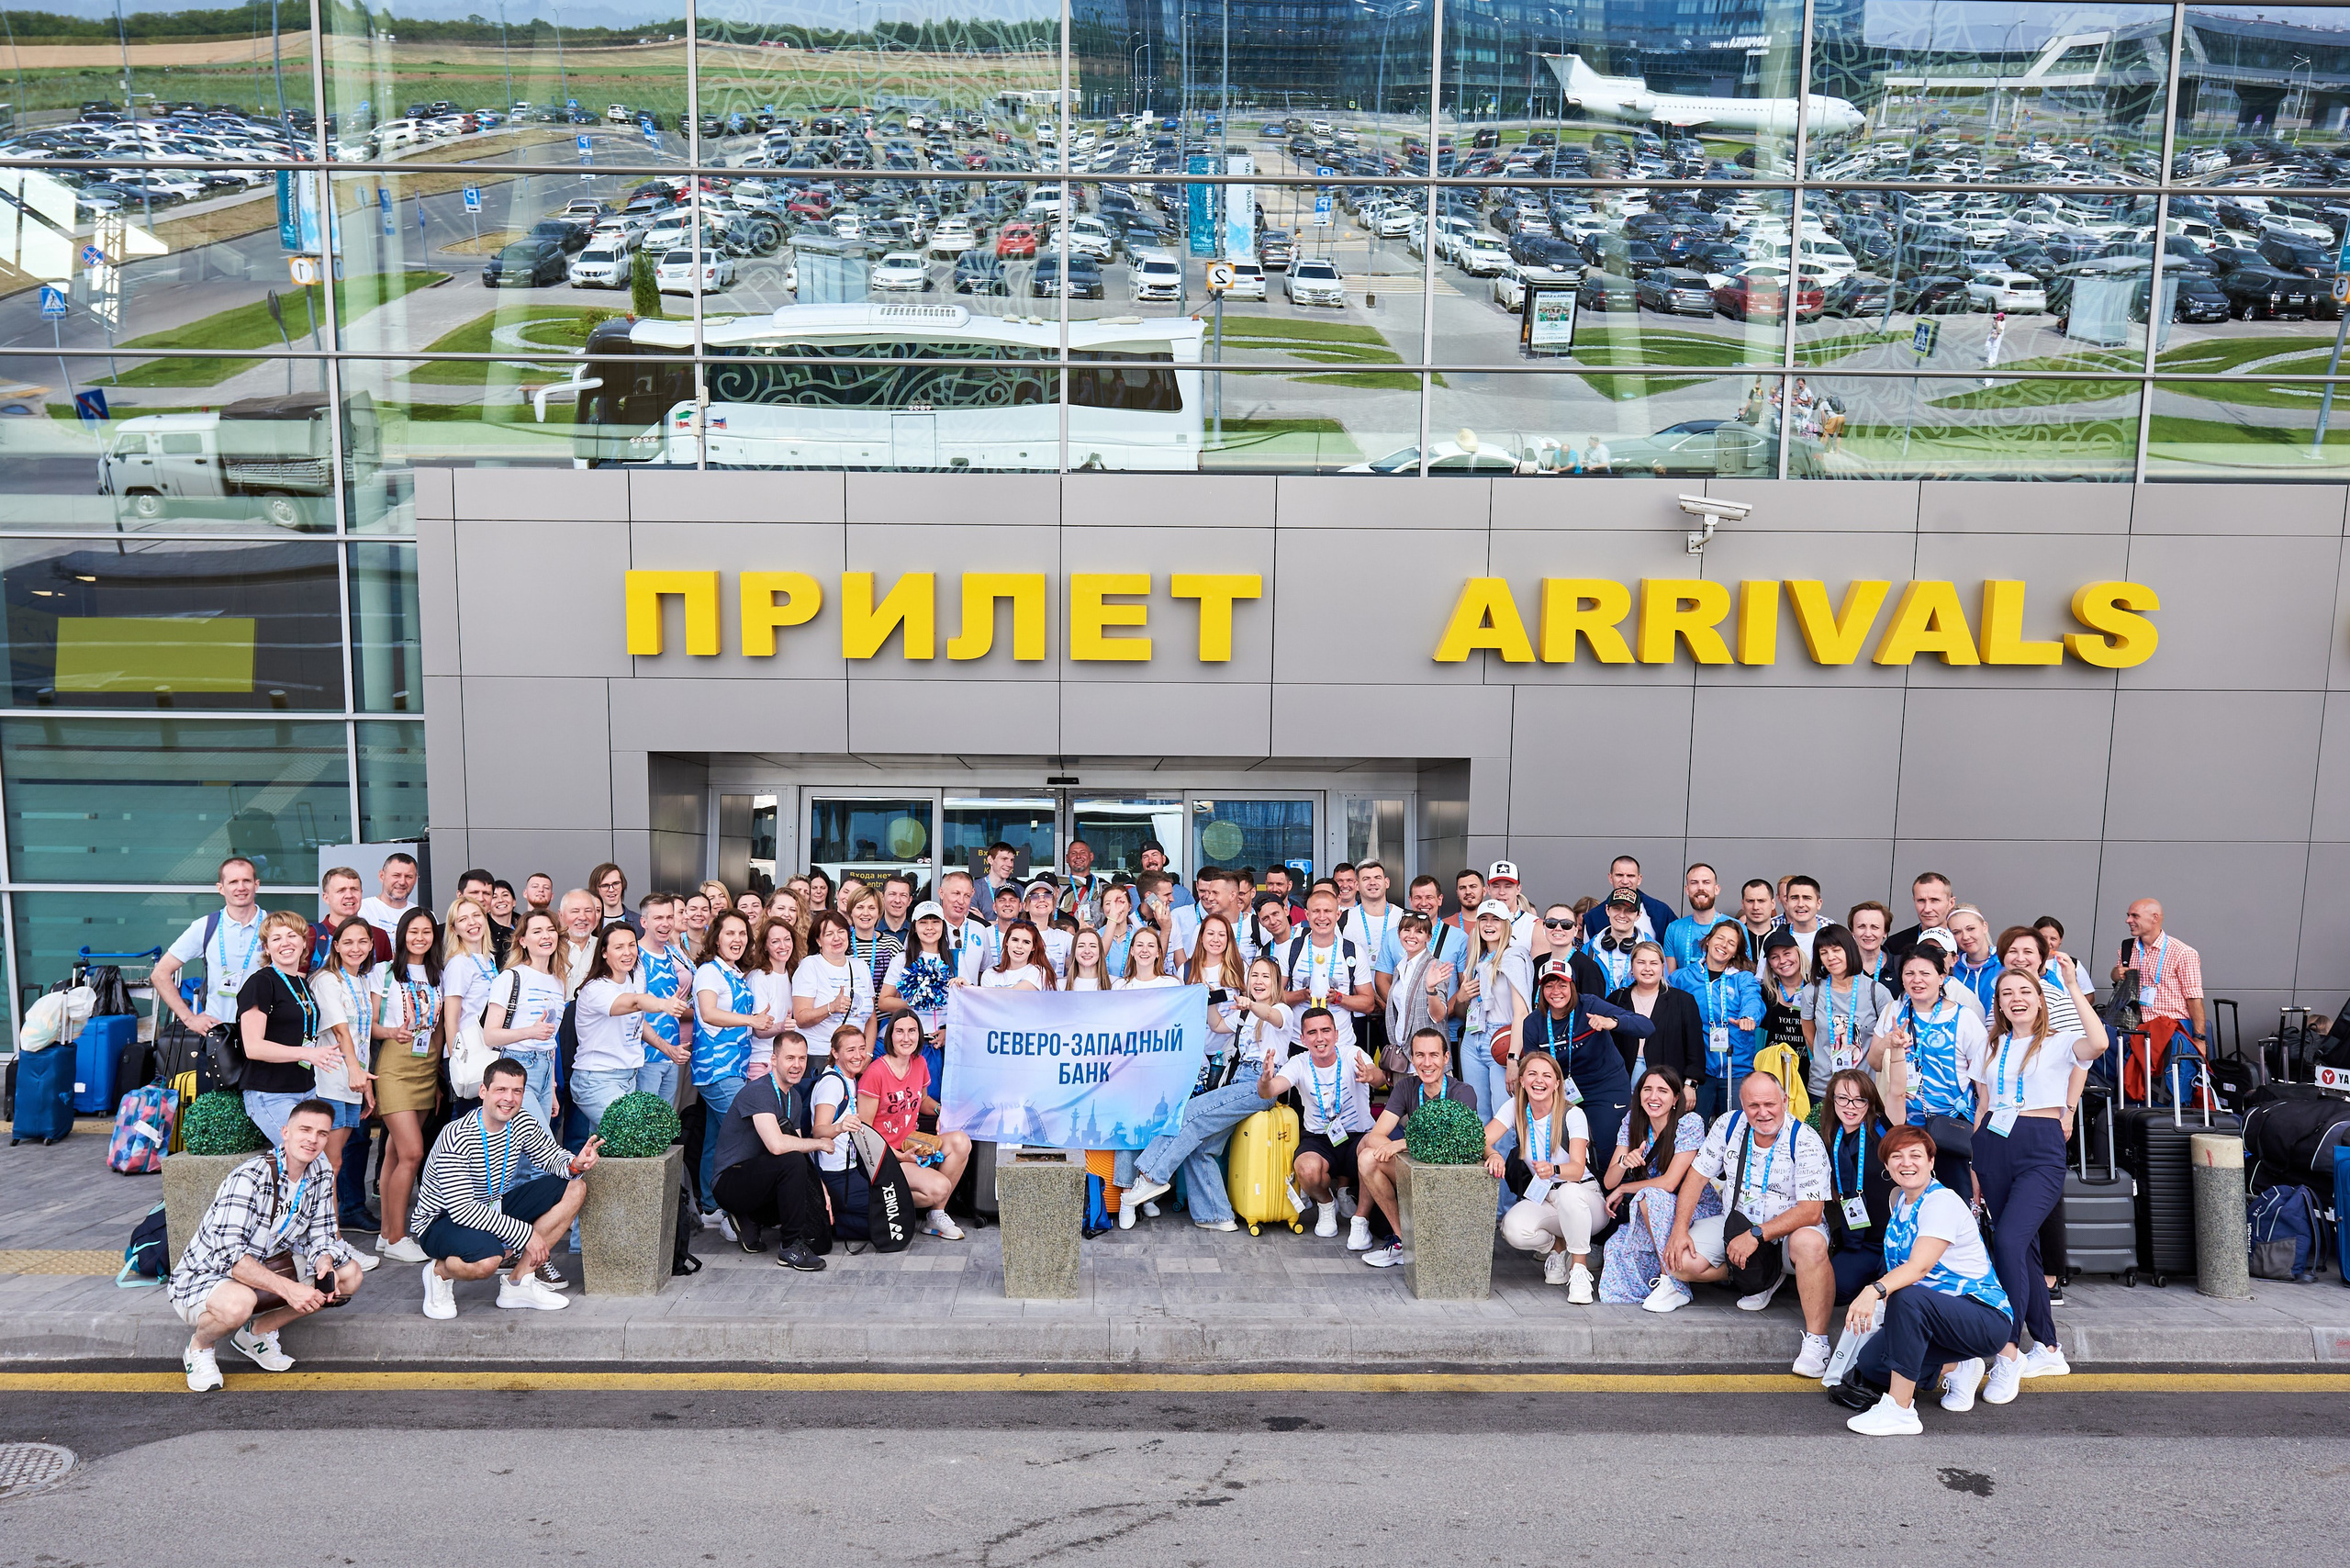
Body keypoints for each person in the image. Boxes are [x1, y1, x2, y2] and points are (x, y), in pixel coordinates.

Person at [1835, 1126, 2025, 1436]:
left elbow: (1918, 1268)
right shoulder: (1900, 1200)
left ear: (1931, 1161)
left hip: (1983, 1316)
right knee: (1872, 1363)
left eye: (1915, 1155)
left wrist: (1873, 1291)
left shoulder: (1941, 1202)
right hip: (1937, 1317)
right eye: (1896, 1156)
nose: (1906, 1163)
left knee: (1906, 1297)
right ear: (1886, 1166)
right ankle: (1959, 1366)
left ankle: (1900, 1410)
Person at [1652, 1072, 1838, 1381]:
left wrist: (1757, 1235)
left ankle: (1817, 1341)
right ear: (1742, 1104)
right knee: (1681, 1262)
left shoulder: (1804, 1140)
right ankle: (1759, 1275)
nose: (1763, 1113)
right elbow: (1696, 1177)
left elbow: (1811, 1211)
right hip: (1736, 1224)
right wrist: (1679, 1229)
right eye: (1754, 1105)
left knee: (1811, 1244)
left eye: (1770, 1104)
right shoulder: (1728, 1125)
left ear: (1784, 1101)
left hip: (1788, 1232)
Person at [170, 1097, 364, 1391]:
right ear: (285, 1132)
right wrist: (290, 1289)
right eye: (305, 1129)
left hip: (268, 1263)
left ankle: (258, 1332)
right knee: (239, 1304)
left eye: (322, 1133)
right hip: (209, 1275)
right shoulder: (251, 1176)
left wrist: (324, 1261)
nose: (312, 1140)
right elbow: (230, 1257)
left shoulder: (321, 1173)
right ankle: (199, 1347)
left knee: (348, 1276)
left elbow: (323, 1233)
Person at [1974, 968, 2100, 1379]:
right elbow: (1983, 1104)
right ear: (1999, 1004)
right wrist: (1977, 1161)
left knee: (2009, 1242)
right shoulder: (1992, 1045)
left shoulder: (2062, 1042)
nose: (2016, 998)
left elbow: (2098, 1042)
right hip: (1993, 1145)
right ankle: (2048, 1346)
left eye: (2025, 991)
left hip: (2040, 1145)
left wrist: (2075, 989)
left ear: (2041, 999)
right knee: (2021, 1248)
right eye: (2007, 993)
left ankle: (2007, 1347)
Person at [412, 1058, 601, 1319]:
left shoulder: (521, 1121)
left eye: (517, 1091)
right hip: (442, 1220)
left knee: (575, 1187)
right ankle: (438, 1273)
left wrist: (574, 1163)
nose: (509, 1099)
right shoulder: (456, 1136)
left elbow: (548, 1156)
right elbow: (463, 1210)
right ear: (483, 1091)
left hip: (493, 1207)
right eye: (501, 1090)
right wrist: (526, 1235)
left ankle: (518, 1284)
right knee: (488, 1260)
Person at [1120, 955, 1293, 1233]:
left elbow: (1271, 1015)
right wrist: (1210, 998)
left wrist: (1251, 1004)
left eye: (1265, 977)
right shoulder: (1244, 1013)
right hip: (1235, 1082)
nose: (1258, 981)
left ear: (1276, 983)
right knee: (1200, 1145)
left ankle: (1148, 1177)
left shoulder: (1283, 1010)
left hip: (1260, 1085)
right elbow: (1216, 1026)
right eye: (1255, 976)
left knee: (1189, 1114)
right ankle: (1216, 1214)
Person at [1259, 1007, 1387, 1240]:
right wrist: (1265, 1080)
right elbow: (1270, 1090)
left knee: (1373, 1150)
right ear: (1303, 1038)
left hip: (1357, 1136)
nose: (1320, 1038)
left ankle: (1361, 1220)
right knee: (1306, 1169)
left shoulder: (1352, 1053)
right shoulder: (1299, 1062)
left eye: (1326, 1031)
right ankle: (1327, 1205)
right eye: (1313, 1032)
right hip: (1319, 1138)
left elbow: (1377, 1075)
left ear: (1336, 1035)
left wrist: (1371, 1076)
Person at [1490, 1049, 1608, 1301]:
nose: (1538, 1080)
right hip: (1547, 1199)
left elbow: (1577, 1169)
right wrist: (1493, 1154)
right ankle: (1557, 1249)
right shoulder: (1515, 1107)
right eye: (1531, 1074)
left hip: (1585, 1198)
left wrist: (1554, 1169)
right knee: (1512, 1228)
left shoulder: (1572, 1113)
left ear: (1556, 1083)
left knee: (1568, 1192)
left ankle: (1579, 1270)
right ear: (1521, 1080)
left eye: (1546, 1075)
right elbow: (1481, 1140)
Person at [1355, 1025, 1477, 1266]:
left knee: (1372, 1150)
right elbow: (1378, 1134)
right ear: (1412, 1059)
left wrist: (1402, 1144)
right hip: (1415, 1168)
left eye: (1433, 1055)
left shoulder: (1463, 1092)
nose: (1426, 1063)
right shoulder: (1406, 1087)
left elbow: (1453, 1142)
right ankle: (1404, 1240)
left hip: (1449, 1178)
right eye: (1420, 1055)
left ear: (1445, 1058)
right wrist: (1394, 1147)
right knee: (1367, 1156)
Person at [1871, 943, 1986, 1197]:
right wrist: (1887, 1044)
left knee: (1955, 1198)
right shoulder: (1895, 1011)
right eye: (1909, 973)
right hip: (1905, 1126)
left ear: (1942, 977)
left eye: (1925, 973)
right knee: (1909, 1200)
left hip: (1951, 1128)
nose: (1917, 980)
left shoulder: (1964, 1018)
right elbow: (1875, 1062)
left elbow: (1982, 1083)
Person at [711, 1029, 830, 1270]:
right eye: (790, 1058)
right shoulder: (760, 1091)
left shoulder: (793, 1097)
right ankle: (790, 1248)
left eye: (802, 1058)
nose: (797, 1065)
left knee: (808, 1192)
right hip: (730, 1181)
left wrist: (821, 1189)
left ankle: (749, 1219)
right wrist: (819, 1143)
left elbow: (798, 1149)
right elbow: (777, 1146)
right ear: (774, 1060)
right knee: (791, 1161)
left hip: (760, 1180)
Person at [1518, 957, 1650, 1170]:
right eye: (1549, 985)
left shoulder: (1590, 1005)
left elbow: (1646, 1026)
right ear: (1541, 990)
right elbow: (1534, 1069)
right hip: (1563, 1093)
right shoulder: (1533, 1023)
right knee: (1567, 1151)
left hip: (1605, 1088)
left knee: (1605, 1149)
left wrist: (1612, 1022)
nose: (1556, 991)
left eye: (1562, 984)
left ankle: (1613, 1198)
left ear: (1572, 985)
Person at [1597, 1067, 1714, 1304]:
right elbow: (1610, 1181)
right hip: (1654, 1210)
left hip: (1694, 1208)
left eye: (1663, 1091)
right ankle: (1656, 1284)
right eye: (1647, 1089)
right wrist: (1623, 1162)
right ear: (1639, 1095)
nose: (1654, 1097)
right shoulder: (1633, 1121)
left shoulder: (1689, 1123)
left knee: (1649, 1196)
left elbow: (1669, 1183)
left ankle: (1671, 1282)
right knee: (1616, 1248)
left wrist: (1625, 1189)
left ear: (1676, 1099)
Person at [693, 911, 779, 1227]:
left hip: (736, 1068)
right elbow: (709, 1012)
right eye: (730, 933)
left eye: (742, 934)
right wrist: (751, 1020)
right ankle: (733, 1207)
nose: (737, 940)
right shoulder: (708, 972)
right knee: (746, 1134)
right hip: (716, 1069)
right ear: (717, 937)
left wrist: (768, 1023)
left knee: (717, 1138)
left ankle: (711, 1206)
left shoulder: (734, 972)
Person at [569, 923, 692, 1146]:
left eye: (631, 945)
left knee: (607, 1148)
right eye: (618, 947)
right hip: (596, 1080)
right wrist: (664, 1004)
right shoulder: (596, 989)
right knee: (635, 1137)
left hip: (628, 1077)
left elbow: (639, 1022)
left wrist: (668, 1049)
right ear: (604, 953)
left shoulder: (633, 979)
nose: (628, 952)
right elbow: (636, 1003)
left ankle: (588, 1181)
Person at [368, 907, 442, 1265]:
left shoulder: (438, 975)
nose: (420, 938)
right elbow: (369, 1024)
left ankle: (386, 1233)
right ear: (402, 934)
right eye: (413, 932)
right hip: (395, 1063)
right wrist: (390, 1032)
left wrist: (441, 1075)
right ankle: (399, 1236)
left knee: (396, 1154)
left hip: (427, 1066)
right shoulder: (383, 972)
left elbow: (441, 1027)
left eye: (427, 932)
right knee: (413, 1153)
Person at [235, 911, 345, 1148]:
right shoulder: (261, 982)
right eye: (276, 938)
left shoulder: (302, 983)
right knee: (304, 1156)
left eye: (292, 935)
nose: (285, 943)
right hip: (270, 1093)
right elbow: (253, 1047)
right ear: (266, 948)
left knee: (311, 1162)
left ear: (304, 942)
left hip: (306, 1089)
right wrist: (307, 1053)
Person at [859, 1012, 970, 1239]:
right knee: (939, 1188)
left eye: (912, 1031)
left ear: (920, 1035)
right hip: (885, 1155)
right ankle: (880, 1200)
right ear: (890, 1036)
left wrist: (941, 1111)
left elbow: (923, 1100)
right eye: (900, 1031)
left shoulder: (918, 1063)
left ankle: (935, 1216)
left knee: (961, 1142)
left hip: (911, 1144)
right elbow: (865, 1132)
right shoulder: (876, 1072)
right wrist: (899, 1157)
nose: (906, 1038)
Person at [308, 914, 380, 1241]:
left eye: (362, 941)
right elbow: (340, 1029)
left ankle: (330, 1237)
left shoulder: (361, 980)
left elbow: (362, 1035)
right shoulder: (327, 980)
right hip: (332, 1080)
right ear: (335, 946)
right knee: (330, 1163)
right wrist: (356, 1073)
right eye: (347, 942)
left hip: (353, 1080)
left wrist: (365, 1082)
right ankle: (329, 1239)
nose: (356, 948)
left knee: (334, 1162)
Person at [155, 857, 269, 1042]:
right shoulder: (206, 926)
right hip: (218, 1034)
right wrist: (189, 1018)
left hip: (266, 1034)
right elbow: (160, 974)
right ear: (221, 888)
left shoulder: (275, 926)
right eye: (233, 882)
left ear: (256, 885)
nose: (241, 887)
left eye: (246, 881)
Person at [2111, 897, 2207, 1103]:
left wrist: (2199, 1038)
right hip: (2136, 1030)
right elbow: (2118, 981)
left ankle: (2168, 1125)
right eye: (2128, 915)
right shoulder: (2128, 949)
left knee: (2168, 1090)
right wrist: (2115, 974)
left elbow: (2194, 998)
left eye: (2134, 915)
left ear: (2155, 918)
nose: (2128, 920)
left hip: (2171, 1031)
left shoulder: (2182, 952)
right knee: (2132, 1089)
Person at [484, 910, 569, 1129]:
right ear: (522, 940)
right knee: (541, 1144)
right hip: (516, 1068)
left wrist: (551, 1089)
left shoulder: (559, 981)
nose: (546, 936)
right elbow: (490, 1035)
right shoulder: (510, 977)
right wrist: (529, 1032)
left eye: (551, 930)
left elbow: (550, 1040)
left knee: (529, 1153)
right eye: (538, 931)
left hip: (546, 1069)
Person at [1670, 920, 1761, 1123]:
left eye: (1731, 943)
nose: (1724, 945)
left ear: (1736, 951)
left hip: (1737, 1069)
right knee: (1693, 1129)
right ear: (1708, 941)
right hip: (1702, 1072)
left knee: (1737, 1130)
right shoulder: (1682, 978)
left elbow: (1753, 1000)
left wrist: (1748, 1017)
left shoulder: (1743, 978)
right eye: (1720, 938)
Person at [1820, 1068, 1897, 1302]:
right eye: (1843, 1098)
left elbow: (1898, 1093)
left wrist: (1896, 1052)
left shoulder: (1883, 1128)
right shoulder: (1830, 1136)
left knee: (1895, 1297)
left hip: (1893, 1240)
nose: (1850, 1106)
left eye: (1859, 1100)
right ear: (1833, 1100)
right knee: (1830, 1291)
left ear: (1870, 1102)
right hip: (1860, 1243)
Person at [1457, 900, 1533, 1119]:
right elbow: (1467, 1009)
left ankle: (1501, 1156)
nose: (1489, 925)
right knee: (1476, 1114)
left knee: (1504, 1115)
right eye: (1484, 919)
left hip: (1502, 1037)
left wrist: (1513, 1059)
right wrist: (1462, 997)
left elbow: (1522, 1013)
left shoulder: (1513, 958)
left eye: (1495, 920)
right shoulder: (1478, 960)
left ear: (1506, 925)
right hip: (1473, 1037)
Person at [1805, 924, 1894, 1108]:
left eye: (1836, 950)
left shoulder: (1876, 991)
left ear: (1849, 950)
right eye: (1823, 953)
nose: (1831, 957)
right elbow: (1809, 1035)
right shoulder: (1811, 991)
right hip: (1822, 1089)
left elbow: (1887, 1040)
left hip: (1864, 1089)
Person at [1281, 889, 1378, 1049]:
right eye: (1316, 911)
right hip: (1299, 1043)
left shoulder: (1353, 951)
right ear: (1307, 914)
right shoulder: (1291, 949)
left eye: (1327, 911)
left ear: (1338, 915)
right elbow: (1275, 997)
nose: (1322, 917)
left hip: (1342, 1043)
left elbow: (1368, 1004)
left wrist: (1338, 998)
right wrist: (1302, 995)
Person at [810, 1025, 878, 1239]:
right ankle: (826, 1222)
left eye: (861, 1048)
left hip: (851, 1168)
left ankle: (833, 1216)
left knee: (889, 1213)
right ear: (835, 1053)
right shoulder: (832, 1083)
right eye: (850, 1050)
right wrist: (840, 1127)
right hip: (834, 1174)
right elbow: (818, 1130)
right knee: (884, 1221)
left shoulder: (850, 1077)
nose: (858, 1056)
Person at [1611, 940, 1704, 1092]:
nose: (1647, 968)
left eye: (1653, 963)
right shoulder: (1617, 999)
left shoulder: (1683, 1001)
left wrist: (1690, 1084)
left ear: (1662, 967)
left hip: (1669, 1083)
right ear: (1632, 966)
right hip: (1622, 1082)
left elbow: (1695, 1049)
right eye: (1641, 962)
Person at [438, 895, 500, 1111]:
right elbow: (451, 1019)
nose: (472, 923)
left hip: (487, 1051)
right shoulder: (458, 963)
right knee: (468, 1124)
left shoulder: (488, 959)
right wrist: (456, 1060)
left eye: (476, 916)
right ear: (454, 928)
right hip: (468, 1055)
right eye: (463, 919)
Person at [1377, 911, 1456, 1078]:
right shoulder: (1400, 967)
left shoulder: (1435, 967)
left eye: (1419, 932)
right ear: (1399, 933)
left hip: (1429, 1062)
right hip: (1404, 1060)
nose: (1411, 936)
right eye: (1407, 930)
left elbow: (1439, 1016)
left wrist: (1431, 989)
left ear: (1428, 937)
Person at [634, 892, 696, 1100]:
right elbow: (633, 1011)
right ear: (644, 922)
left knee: (664, 1125)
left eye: (669, 917)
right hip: (646, 1057)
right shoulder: (635, 957)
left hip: (672, 1054)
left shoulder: (672, 953)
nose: (665, 923)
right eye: (658, 918)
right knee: (645, 1126)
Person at [878, 901, 958, 1055]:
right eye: (923, 922)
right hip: (909, 1043)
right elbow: (883, 1002)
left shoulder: (956, 958)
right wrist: (914, 1001)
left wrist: (948, 1031)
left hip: (941, 1044)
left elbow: (964, 1005)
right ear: (914, 927)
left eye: (935, 922)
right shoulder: (902, 959)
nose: (930, 927)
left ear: (943, 925)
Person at [792, 910, 879, 1049]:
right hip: (821, 1054)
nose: (837, 938)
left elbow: (871, 1018)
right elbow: (801, 1018)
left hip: (856, 1056)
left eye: (841, 931)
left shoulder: (861, 966)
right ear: (818, 941)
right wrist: (831, 1007)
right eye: (829, 934)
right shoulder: (810, 965)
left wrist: (867, 1054)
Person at [744, 915, 801, 1080]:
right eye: (775, 941)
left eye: (787, 939)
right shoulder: (759, 978)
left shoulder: (794, 975)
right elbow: (759, 1030)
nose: (783, 946)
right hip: (761, 1061)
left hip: (786, 1062)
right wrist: (782, 1026)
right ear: (765, 947)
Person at [1580, 856, 1676, 944]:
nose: (1625, 882)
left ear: (1639, 879)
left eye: (1630, 876)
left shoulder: (1662, 912)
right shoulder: (1593, 917)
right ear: (1610, 878)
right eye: (1619, 875)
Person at [1662, 863, 1731, 973]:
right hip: (1682, 990)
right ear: (1687, 890)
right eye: (1694, 883)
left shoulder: (1736, 928)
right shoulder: (1674, 929)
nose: (1700, 888)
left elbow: (1744, 975)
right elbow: (1670, 978)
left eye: (1706, 882)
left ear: (1716, 889)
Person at [1885, 872, 1957, 969]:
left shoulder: (1964, 942)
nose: (1927, 909)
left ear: (1951, 903)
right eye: (1921, 901)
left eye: (1934, 900)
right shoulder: (1895, 945)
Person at [1583, 886, 1646, 993]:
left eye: (1629, 910)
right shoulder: (1589, 949)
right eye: (1617, 908)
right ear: (1607, 910)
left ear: (1638, 915)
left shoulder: (1652, 949)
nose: (1622, 915)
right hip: (1598, 1010)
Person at [843, 884, 899, 999]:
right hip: (850, 1014)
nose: (866, 913)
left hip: (886, 1015)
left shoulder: (892, 945)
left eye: (872, 908)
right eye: (860, 907)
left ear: (879, 913)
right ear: (851, 911)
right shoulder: (841, 944)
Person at [1946, 906, 2000, 1016]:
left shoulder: (2006, 963)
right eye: (1956, 932)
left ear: (1984, 927)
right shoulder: (1951, 969)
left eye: (1970, 929)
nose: (1965, 937)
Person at [311, 866, 369, 969]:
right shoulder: (311, 935)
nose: (349, 895)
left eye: (354, 889)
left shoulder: (379, 936)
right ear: (326, 898)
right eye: (341, 890)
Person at [359, 853, 420, 941]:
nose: (402, 882)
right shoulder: (362, 909)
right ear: (381, 876)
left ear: (416, 879)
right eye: (396, 875)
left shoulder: (423, 916)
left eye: (408, 877)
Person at [981, 921, 1055, 990]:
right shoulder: (989, 974)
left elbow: (1015, 994)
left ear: (1033, 947)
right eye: (1015, 940)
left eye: (1026, 942)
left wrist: (973, 989)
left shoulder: (1040, 971)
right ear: (1006, 942)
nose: (1019, 946)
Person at [557, 889, 601, 997]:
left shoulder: (604, 948)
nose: (582, 917)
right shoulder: (551, 949)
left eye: (588, 911)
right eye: (575, 911)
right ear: (561, 915)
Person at [1781, 875, 1824, 967]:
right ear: (1787, 902)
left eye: (1807, 898)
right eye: (1794, 898)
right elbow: (1763, 979)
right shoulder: (1775, 936)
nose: (1800, 904)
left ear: (1818, 903)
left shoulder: (1834, 936)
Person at [1848, 901, 1894, 986]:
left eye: (1875, 927)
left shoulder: (1900, 967)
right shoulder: (1841, 967)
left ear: (1885, 932)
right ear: (1852, 931)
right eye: (1861, 926)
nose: (1868, 934)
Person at [484, 877, 518, 966]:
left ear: (514, 902)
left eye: (505, 895)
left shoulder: (524, 929)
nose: (501, 900)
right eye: (494, 897)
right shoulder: (483, 933)